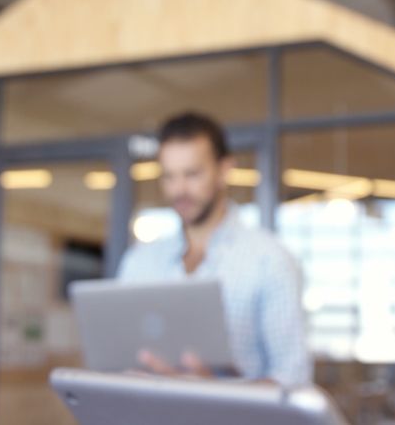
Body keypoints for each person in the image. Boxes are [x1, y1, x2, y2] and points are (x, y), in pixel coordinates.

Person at [116, 112, 311, 388]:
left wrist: (218, 390)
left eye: (192, 174)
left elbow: (292, 381)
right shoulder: (138, 263)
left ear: (224, 170)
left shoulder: (270, 261)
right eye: (169, 176)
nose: (179, 189)